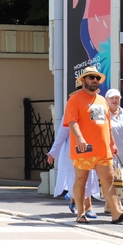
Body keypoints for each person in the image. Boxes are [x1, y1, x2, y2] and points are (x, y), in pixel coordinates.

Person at [63, 66, 123, 224]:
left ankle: (116, 213)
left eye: (97, 78)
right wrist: (80, 138)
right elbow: (72, 122)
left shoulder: (102, 100)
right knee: (81, 179)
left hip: (103, 149)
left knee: (109, 179)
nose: (95, 80)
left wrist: (112, 143)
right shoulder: (75, 99)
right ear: (83, 80)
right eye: (91, 77)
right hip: (84, 148)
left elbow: (107, 124)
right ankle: (81, 213)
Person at [47, 83, 99, 218]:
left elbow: (100, 127)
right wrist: (54, 152)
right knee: (78, 177)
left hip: (91, 148)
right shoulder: (71, 108)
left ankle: (83, 204)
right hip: (74, 150)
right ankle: (83, 206)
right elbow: (62, 132)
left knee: (89, 177)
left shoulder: (97, 106)